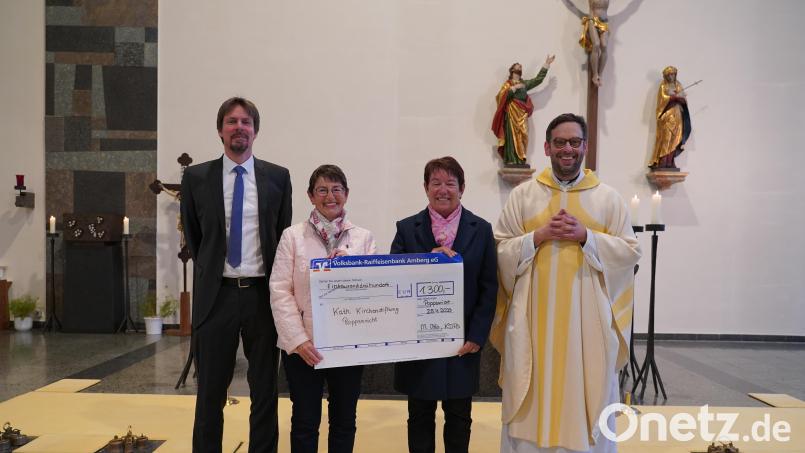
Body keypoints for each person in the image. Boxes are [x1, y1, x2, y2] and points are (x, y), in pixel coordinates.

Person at [492, 114, 641, 453]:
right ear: (547, 147)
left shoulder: (607, 198)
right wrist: (538, 236)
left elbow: (630, 252)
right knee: (530, 393)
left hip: (587, 328)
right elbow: (500, 249)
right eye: (560, 142)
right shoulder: (523, 196)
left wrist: (587, 236)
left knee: (587, 391)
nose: (567, 149)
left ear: (585, 147)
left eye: (575, 142)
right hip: (533, 322)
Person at [181, 96, 292, 453]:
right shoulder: (197, 177)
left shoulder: (277, 177)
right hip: (218, 296)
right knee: (211, 389)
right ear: (220, 130)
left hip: (262, 295)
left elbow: (281, 233)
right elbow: (196, 238)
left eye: (246, 122)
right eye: (232, 121)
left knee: (264, 388)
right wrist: (216, 273)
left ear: (255, 131)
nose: (239, 127)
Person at [390, 156, 498, 453]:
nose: (443, 189)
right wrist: (426, 261)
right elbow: (393, 281)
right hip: (419, 342)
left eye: (450, 183)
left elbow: (489, 288)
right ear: (425, 188)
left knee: (459, 416)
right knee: (419, 415)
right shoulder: (406, 229)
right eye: (435, 183)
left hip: (462, 343)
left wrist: (476, 337)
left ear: (462, 188)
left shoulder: (482, 229)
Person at [269, 164, 376, 453]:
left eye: (337, 189)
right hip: (304, 346)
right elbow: (280, 291)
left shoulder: (363, 239)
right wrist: (299, 341)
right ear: (311, 196)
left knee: (344, 421)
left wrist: (350, 266)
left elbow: (374, 292)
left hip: (348, 347)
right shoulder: (292, 236)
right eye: (322, 190)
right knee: (305, 421)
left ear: (347, 194)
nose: (330, 196)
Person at [492, 55, 556, 166]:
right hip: (512, 114)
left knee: (523, 136)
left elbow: (537, 80)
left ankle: (521, 160)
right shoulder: (508, 84)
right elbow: (500, 97)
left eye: (521, 67)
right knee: (512, 137)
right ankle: (512, 160)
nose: (520, 68)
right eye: (518, 67)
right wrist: (513, 88)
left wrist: (547, 64)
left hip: (522, 115)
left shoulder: (524, 84)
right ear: (512, 70)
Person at [649, 66, 692, 170]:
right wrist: (672, 98)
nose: (671, 76)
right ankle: (663, 161)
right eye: (669, 75)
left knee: (675, 138)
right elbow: (661, 100)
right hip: (667, 115)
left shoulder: (678, 85)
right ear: (665, 76)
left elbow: (684, 101)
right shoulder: (663, 86)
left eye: (673, 74)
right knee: (666, 138)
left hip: (677, 116)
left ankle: (670, 162)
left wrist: (680, 98)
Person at [563, 0, 609, 87]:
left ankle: (600, 74)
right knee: (596, 44)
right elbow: (572, 6)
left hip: (604, 22)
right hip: (592, 21)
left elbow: (628, 9)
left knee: (604, 46)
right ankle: (595, 75)